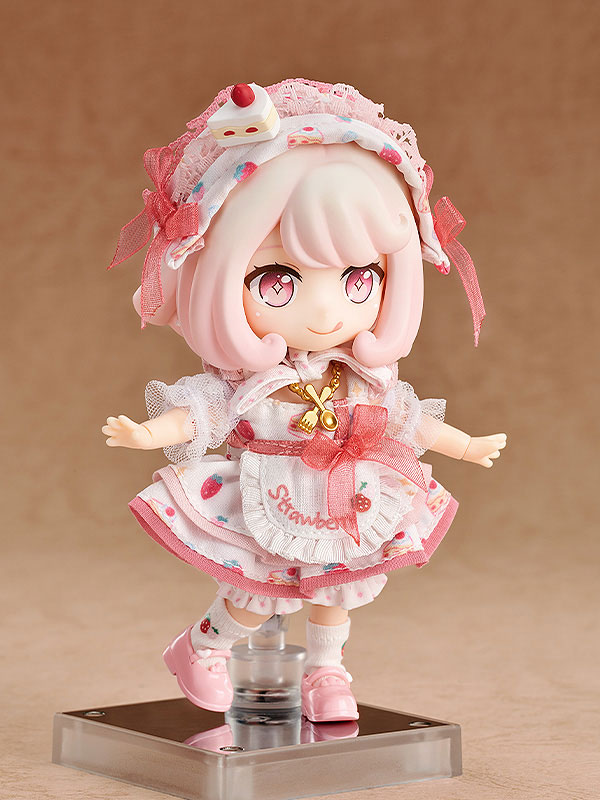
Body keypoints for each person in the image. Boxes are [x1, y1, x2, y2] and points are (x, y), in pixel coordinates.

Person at [103, 79, 506, 722]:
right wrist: (149, 433)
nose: (325, 310)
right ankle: (204, 647)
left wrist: (467, 445)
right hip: (269, 487)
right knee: (258, 592)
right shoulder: (250, 381)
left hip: (348, 496)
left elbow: (406, 420)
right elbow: (204, 410)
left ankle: (327, 671)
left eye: (359, 279)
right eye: (277, 281)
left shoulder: (361, 378)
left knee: (336, 591)